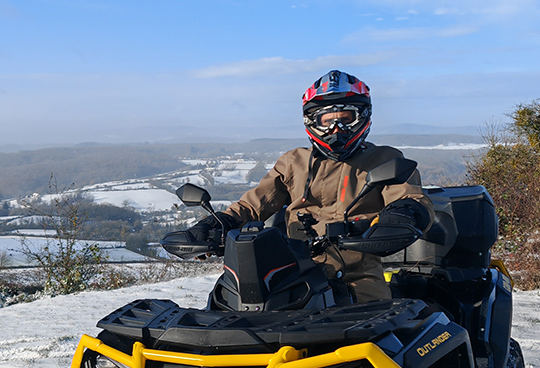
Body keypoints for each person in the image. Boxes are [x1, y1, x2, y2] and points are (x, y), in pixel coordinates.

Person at [178, 70, 433, 302]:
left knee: (374, 326)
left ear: (362, 117)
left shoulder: (385, 159)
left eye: (346, 118)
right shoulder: (293, 162)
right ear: (312, 121)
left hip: (356, 274)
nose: (336, 128)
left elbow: (410, 197)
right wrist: (216, 224)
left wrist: (402, 215)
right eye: (327, 120)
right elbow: (252, 205)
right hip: (287, 270)